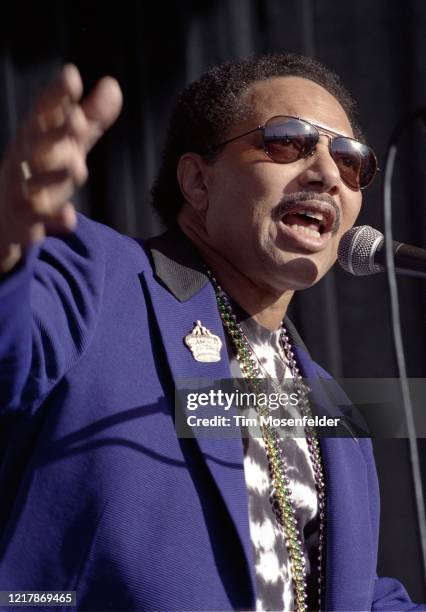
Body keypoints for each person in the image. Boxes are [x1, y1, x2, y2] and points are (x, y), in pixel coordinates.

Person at [0, 53, 423, 612]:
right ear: (198, 181)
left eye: (351, 162)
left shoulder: (334, 405)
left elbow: (352, 594)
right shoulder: (99, 278)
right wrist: (6, 250)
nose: (326, 173)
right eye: (288, 143)